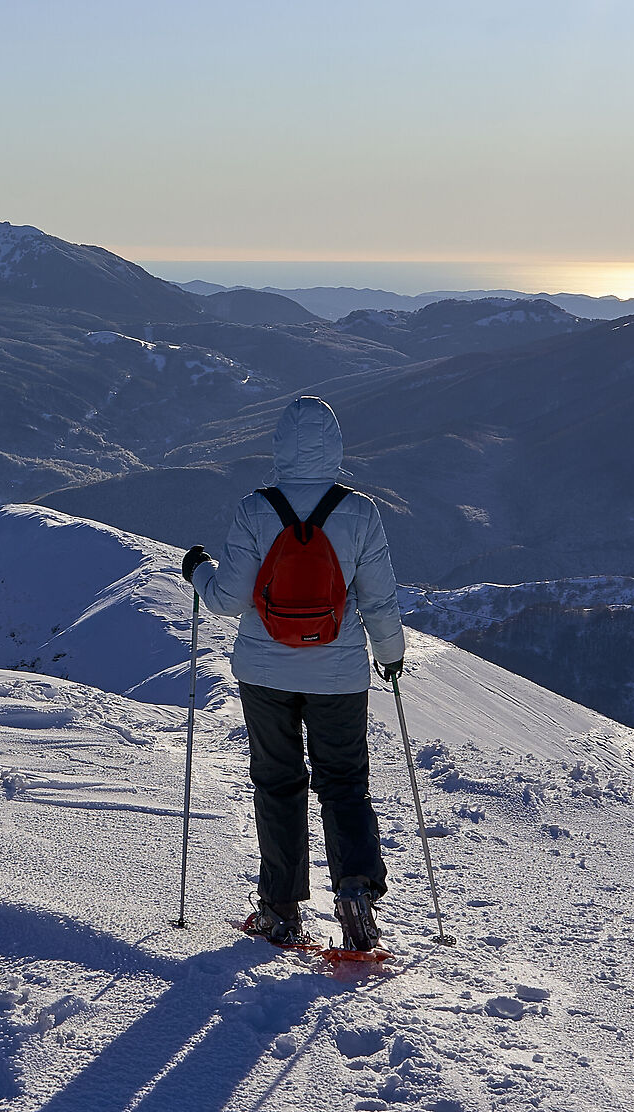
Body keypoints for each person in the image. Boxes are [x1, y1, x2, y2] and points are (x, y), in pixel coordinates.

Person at [183, 395, 405, 951]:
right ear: (334, 447)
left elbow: (228, 601)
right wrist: (391, 653)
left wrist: (198, 570)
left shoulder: (256, 509)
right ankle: (355, 890)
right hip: (339, 674)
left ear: (279, 447)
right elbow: (378, 599)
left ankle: (280, 909)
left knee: (278, 783)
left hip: (265, 671)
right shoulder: (360, 512)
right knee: (345, 784)